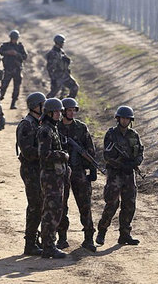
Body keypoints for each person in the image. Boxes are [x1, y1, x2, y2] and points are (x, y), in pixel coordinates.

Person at [96, 106, 143, 247]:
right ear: (118, 119)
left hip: (129, 174)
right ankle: (102, 231)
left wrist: (135, 162)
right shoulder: (111, 134)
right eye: (122, 118)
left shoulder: (134, 135)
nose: (125, 120)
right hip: (115, 174)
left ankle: (125, 234)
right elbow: (107, 155)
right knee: (112, 204)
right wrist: (121, 164)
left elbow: (140, 152)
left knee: (129, 204)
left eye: (127, 118)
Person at [56, 98, 97, 253]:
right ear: (63, 111)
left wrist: (92, 169)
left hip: (79, 172)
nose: (72, 112)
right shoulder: (56, 128)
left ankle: (88, 238)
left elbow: (89, 149)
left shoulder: (81, 127)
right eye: (69, 110)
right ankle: (62, 238)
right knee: (61, 205)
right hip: (61, 172)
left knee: (85, 205)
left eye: (74, 110)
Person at [37, 97, 70, 259]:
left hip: (55, 176)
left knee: (56, 209)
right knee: (51, 211)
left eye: (59, 111)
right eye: (55, 112)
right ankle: (48, 246)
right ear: (49, 113)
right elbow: (44, 155)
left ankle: (49, 244)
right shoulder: (45, 130)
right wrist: (62, 155)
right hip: (50, 177)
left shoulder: (53, 128)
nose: (58, 114)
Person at [16, 92, 47, 256]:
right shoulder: (27, 125)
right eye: (43, 104)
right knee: (35, 206)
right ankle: (30, 243)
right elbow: (27, 151)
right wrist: (46, 152)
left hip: (39, 170)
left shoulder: (39, 123)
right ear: (36, 106)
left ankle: (36, 240)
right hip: (31, 170)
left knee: (41, 205)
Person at [0, 30, 28, 110]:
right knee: (3, 86)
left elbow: (25, 57)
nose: (14, 39)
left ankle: (13, 103)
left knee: (16, 88)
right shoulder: (5, 45)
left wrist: (16, 54)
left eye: (15, 38)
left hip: (17, 70)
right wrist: (8, 52)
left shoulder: (20, 47)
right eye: (13, 38)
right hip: (8, 69)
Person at [46, 34, 79, 98]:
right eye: (62, 43)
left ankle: (69, 104)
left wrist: (67, 62)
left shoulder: (61, 51)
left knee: (75, 87)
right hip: (57, 77)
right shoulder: (52, 54)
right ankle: (45, 106)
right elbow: (50, 68)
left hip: (65, 75)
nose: (63, 44)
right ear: (58, 42)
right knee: (52, 94)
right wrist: (53, 79)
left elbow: (64, 63)